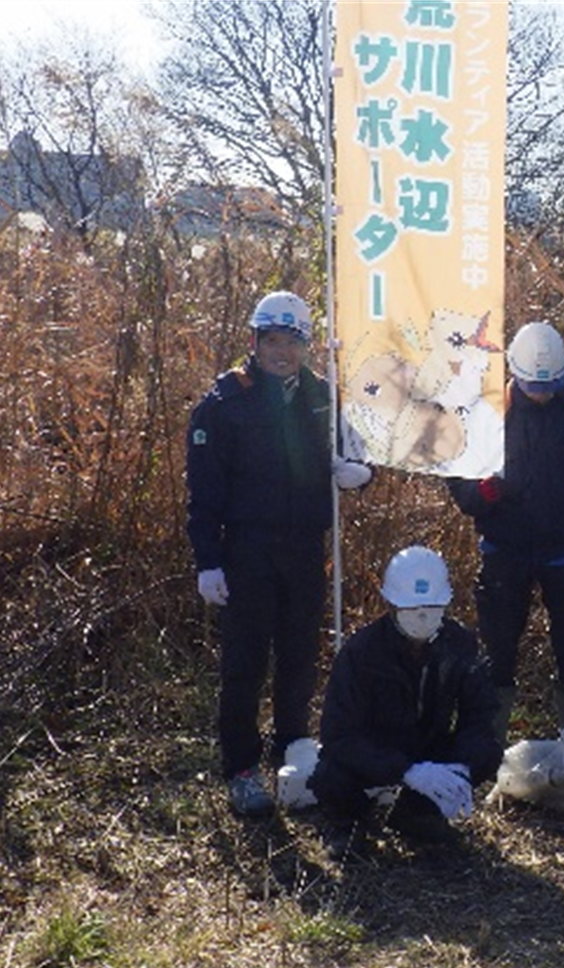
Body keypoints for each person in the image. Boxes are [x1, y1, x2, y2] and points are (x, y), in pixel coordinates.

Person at [185, 289, 373, 818]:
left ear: (306, 346)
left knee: (298, 658)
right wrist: (208, 561)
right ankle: (242, 769)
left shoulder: (324, 398)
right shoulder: (225, 403)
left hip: (305, 548)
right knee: (245, 664)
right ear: (255, 341)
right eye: (272, 341)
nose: (281, 352)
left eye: (292, 342)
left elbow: (361, 452)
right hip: (247, 551)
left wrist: (361, 475)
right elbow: (203, 494)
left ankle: (293, 755)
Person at [446, 321, 564, 742]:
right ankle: (487, 736)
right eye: (533, 386)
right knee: (498, 647)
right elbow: (459, 481)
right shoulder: (487, 414)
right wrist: (481, 493)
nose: (541, 394)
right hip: (505, 550)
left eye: (549, 385)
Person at [310, 546, 503, 858]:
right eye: (412, 609)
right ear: (391, 605)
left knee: (487, 751)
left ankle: (416, 814)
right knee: (330, 776)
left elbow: (481, 714)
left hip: (429, 745)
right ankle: (347, 824)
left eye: (431, 607)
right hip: (375, 750)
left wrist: (461, 769)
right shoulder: (361, 652)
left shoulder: (460, 644)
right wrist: (406, 770)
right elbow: (338, 734)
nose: (422, 617)